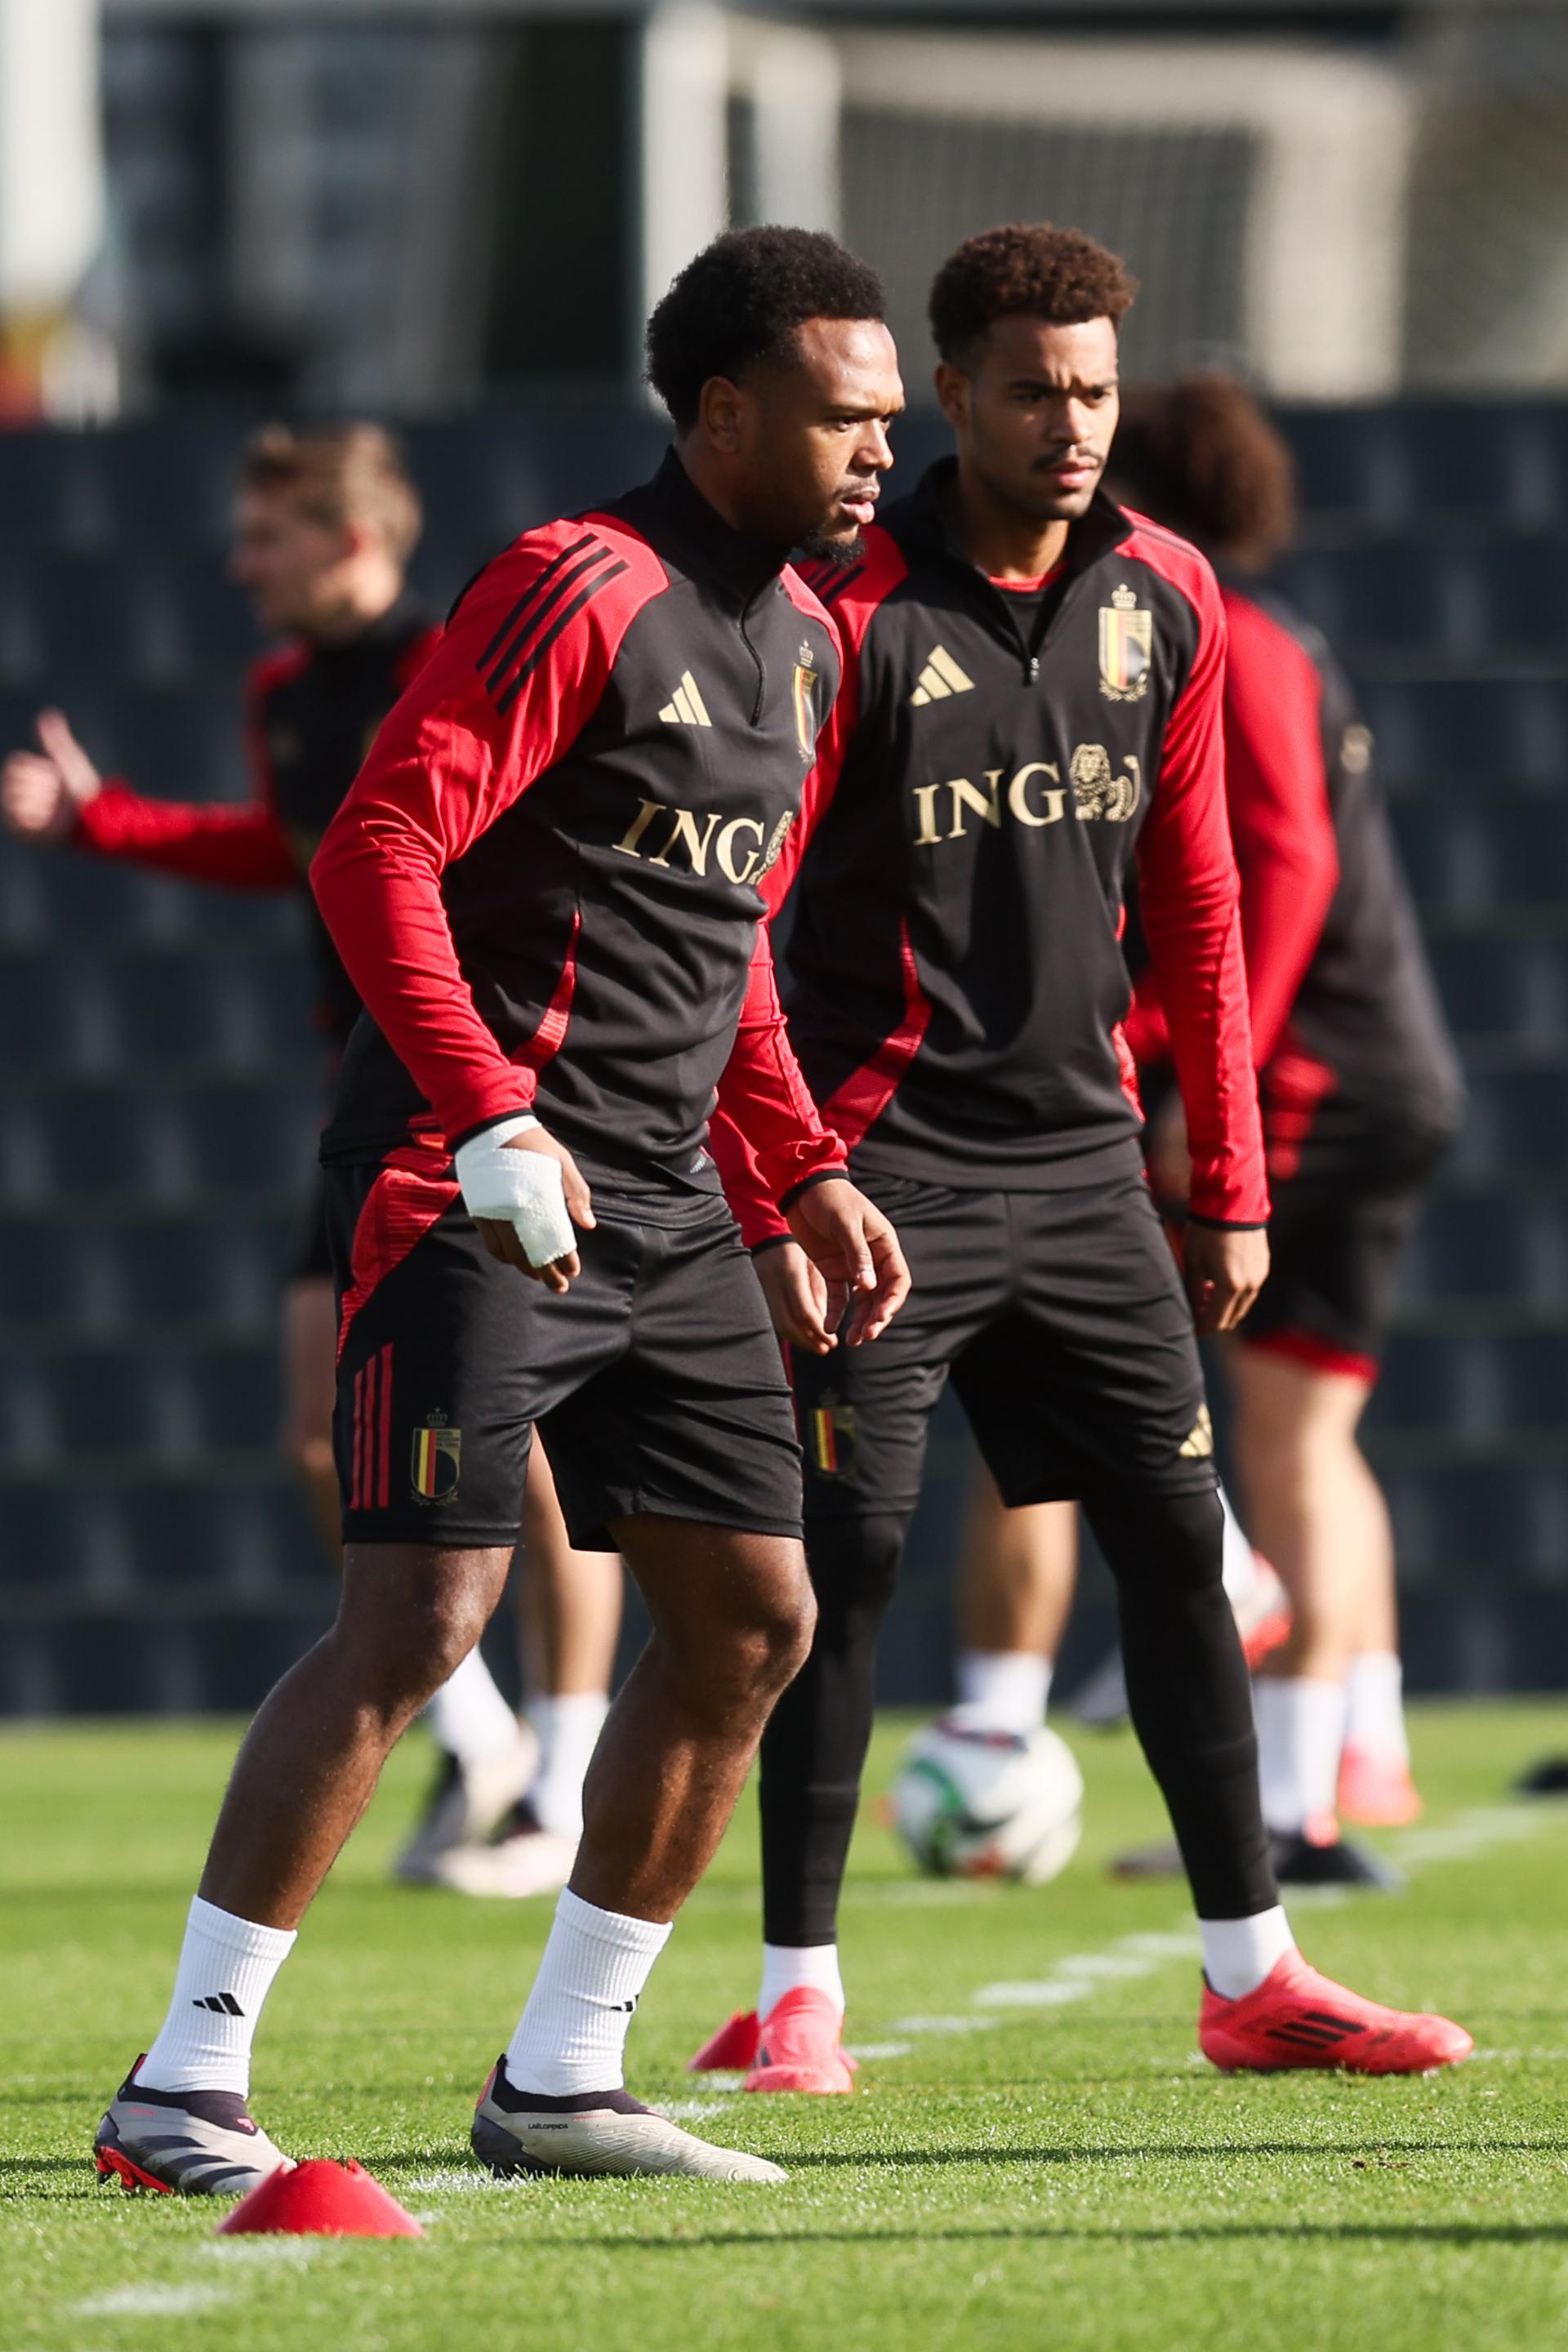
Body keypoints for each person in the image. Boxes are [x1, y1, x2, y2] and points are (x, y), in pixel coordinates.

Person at [93, 225, 910, 2198]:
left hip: (670, 1208)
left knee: (750, 1620)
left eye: (895, 418)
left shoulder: (813, 641)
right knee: (426, 1614)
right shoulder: (578, 582)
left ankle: (563, 2075)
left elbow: (728, 969)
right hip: (472, 1188)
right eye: (843, 414)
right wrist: (486, 1117)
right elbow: (379, 841)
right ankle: (179, 2091)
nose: (884, 450)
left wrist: (798, 1171)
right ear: (722, 412)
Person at [690, 224, 1471, 2096]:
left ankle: (1254, 1973)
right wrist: (788, 1177)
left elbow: (1201, 894)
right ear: (950, 392)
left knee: (1183, 1559)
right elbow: (736, 927)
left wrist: (1235, 1173)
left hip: (1092, 1170)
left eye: (1099, 391)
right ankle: (799, 1993)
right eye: (1034, 390)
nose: (1071, 425)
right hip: (890, 1174)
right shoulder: (846, 612)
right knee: (841, 1577)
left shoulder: (1174, 595)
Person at [0, 425, 621, 1895]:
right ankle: (480, 1744)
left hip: (504, 1094)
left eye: (269, 535)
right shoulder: (284, 694)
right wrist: (105, 823)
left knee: (534, 1446)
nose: (241, 562)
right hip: (370, 1099)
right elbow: (295, 849)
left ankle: (565, 1777)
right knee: (311, 1435)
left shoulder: (460, 670)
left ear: (353, 540)